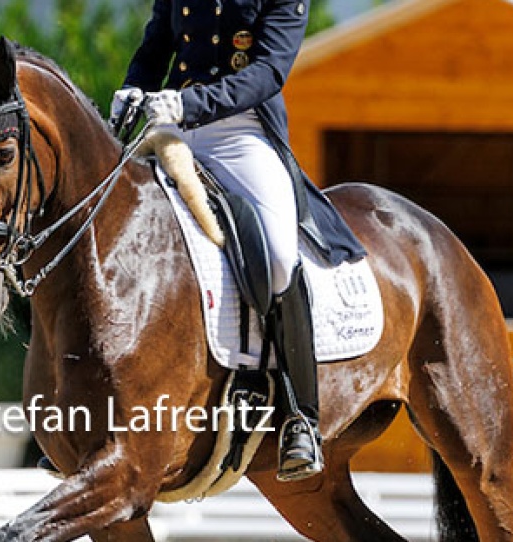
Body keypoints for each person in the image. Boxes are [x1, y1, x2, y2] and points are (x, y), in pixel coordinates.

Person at [111, 0, 365, 481]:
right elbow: (156, 46)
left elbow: (269, 71)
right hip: (172, 127)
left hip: (241, 133)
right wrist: (133, 88)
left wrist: (188, 103)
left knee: (276, 255)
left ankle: (299, 416)